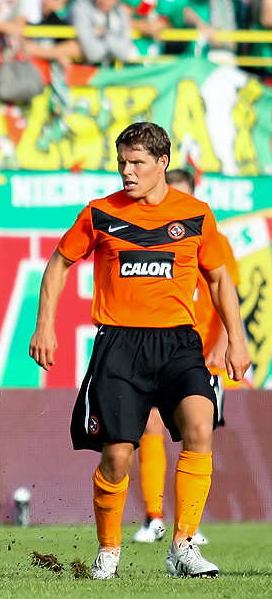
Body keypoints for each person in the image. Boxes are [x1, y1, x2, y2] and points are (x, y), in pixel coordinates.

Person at [29, 121, 251, 580]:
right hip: (120, 344)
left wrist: (237, 337)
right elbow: (59, 263)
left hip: (178, 343)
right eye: (122, 163)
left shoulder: (196, 215)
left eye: (137, 163)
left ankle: (183, 546)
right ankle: (108, 551)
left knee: (199, 426)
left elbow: (218, 280)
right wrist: (44, 326)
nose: (126, 172)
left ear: (161, 164)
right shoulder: (99, 213)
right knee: (117, 455)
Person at [132, 168, 241, 546]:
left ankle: (188, 526)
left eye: (180, 194)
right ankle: (153, 517)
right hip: (155, 348)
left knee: (196, 434)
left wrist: (227, 340)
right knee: (149, 426)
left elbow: (227, 289)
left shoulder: (212, 234)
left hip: (200, 354)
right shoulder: (145, 233)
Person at [72, 0, 134, 66]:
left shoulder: (121, 12)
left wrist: (105, 34)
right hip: (83, 71)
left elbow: (124, 53)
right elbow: (92, 54)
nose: (105, 1)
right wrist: (113, 43)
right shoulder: (80, 9)